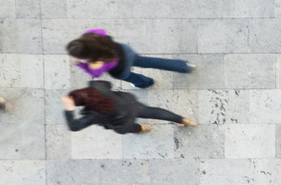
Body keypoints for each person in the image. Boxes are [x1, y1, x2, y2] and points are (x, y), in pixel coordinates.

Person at [66, 31, 194, 90]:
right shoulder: (91, 34)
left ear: (85, 56)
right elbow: (104, 33)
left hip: (121, 69)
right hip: (125, 51)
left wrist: (80, 64)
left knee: (132, 78)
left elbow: (95, 74)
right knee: (150, 61)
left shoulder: (95, 64)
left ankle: (146, 83)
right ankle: (184, 66)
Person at [60, 85, 193, 134]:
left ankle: (143, 129)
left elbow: (74, 126)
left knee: (129, 128)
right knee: (152, 111)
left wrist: (69, 108)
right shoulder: (95, 85)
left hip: (122, 120)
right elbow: (108, 84)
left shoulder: (92, 114)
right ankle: (183, 120)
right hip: (128, 103)